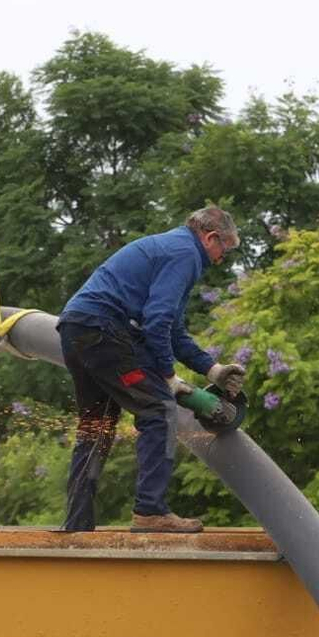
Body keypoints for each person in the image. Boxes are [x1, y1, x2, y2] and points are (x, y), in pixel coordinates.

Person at [56, 206, 249, 534]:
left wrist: (212, 370)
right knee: (159, 410)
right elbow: (157, 321)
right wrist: (168, 377)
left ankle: (77, 524)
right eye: (224, 250)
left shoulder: (170, 248)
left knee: (97, 425)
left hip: (76, 328)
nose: (221, 259)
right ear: (211, 237)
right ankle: (150, 512)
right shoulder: (186, 254)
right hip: (104, 331)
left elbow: (172, 331)